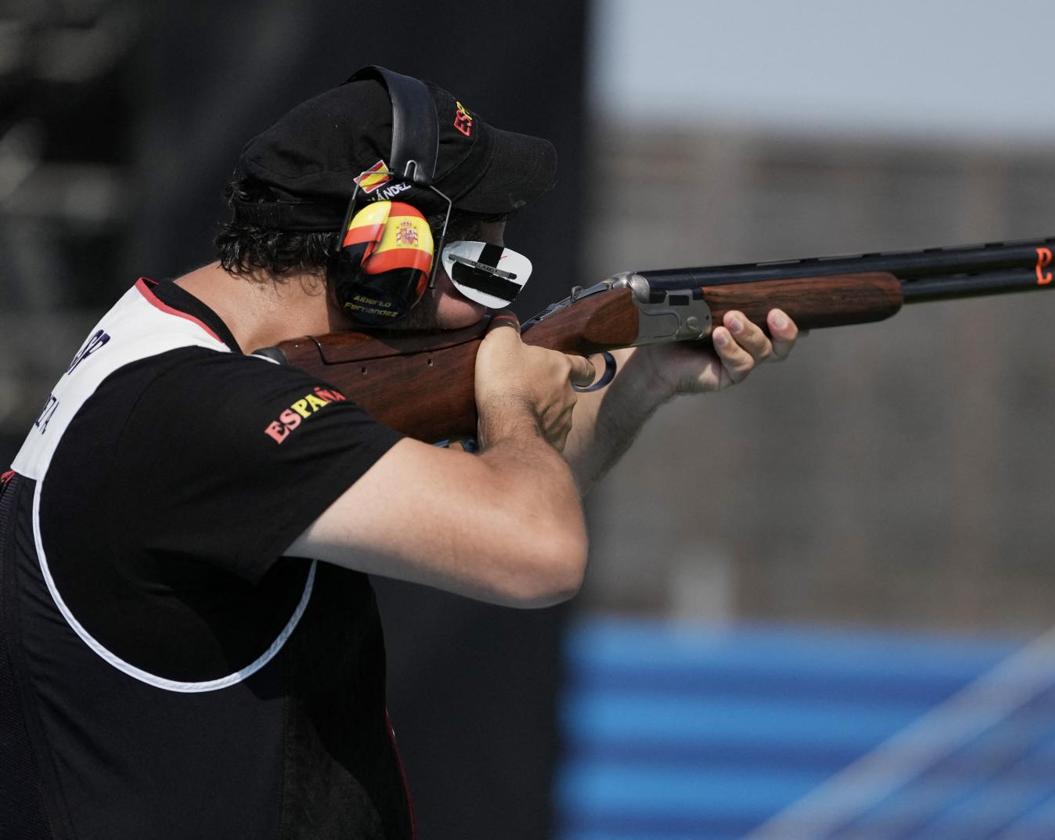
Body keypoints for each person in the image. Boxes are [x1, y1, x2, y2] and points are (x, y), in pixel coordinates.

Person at [0, 68, 799, 839]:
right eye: (481, 268)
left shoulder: (160, 358)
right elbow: (535, 549)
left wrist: (641, 383)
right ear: (390, 253)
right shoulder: (200, 410)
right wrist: (509, 395)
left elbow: (495, 502)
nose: (499, 307)